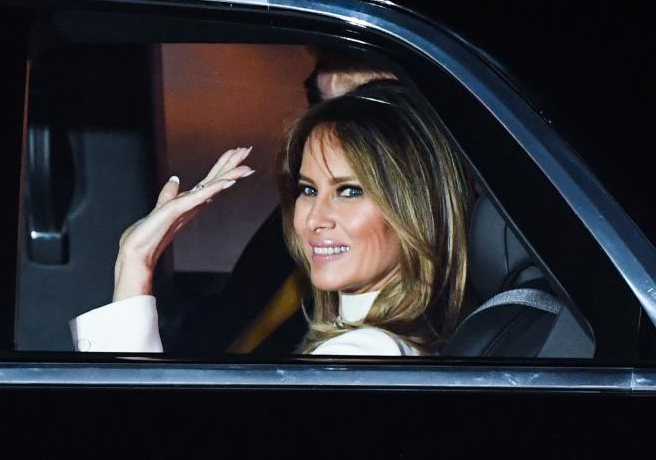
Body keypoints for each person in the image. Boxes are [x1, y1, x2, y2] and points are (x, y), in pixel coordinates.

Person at [70, 80, 471, 355]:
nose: (315, 218)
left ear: (414, 208)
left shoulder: (361, 353)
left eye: (350, 191)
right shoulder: (373, 343)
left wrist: (134, 262)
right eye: (308, 190)